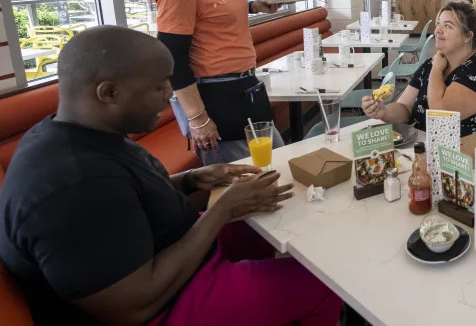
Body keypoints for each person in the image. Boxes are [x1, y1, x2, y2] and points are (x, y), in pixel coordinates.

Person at [0, 26, 341, 326]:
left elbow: (125, 198)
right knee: (327, 281)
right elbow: (131, 308)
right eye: (158, 86)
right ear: (108, 92)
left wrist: (191, 179)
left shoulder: (80, 134)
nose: (170, 94)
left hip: (168, 255)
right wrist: (222, 210)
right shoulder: (71, 183)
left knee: (276, 217)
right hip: (165, 305)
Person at [154, 0, 283, 165]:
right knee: (249, 181)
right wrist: (198, 119)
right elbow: (172, 58)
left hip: (246, 86)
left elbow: (213, 11)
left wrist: (253, 6)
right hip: (214, 96)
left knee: (276, 162)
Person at [361, 1, 476, 147]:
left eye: (448, 26)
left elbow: (441, 112)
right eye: (438, 24)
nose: (438, 30)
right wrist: (384, 112)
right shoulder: (429, 65)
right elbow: (404, 108)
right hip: (433, 149)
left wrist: (437, 69)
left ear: (467, 37)